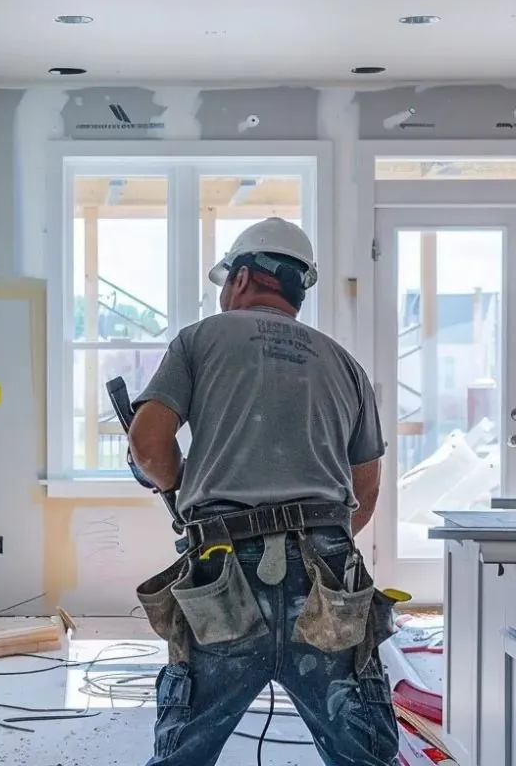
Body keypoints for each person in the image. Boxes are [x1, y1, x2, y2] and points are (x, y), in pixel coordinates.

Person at [127, 217, 398, 766]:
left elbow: (149, 445)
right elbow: (363, 494)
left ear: (243, 277)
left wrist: (186, 493)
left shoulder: (201, 339)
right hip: (326, 575)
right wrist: (317, 542)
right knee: (364, 750)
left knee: (185, 748)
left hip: (224, 571)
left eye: (226, 281)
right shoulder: (345, 365)